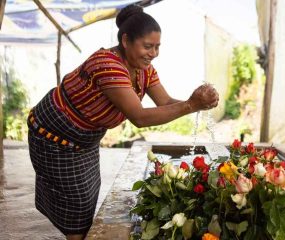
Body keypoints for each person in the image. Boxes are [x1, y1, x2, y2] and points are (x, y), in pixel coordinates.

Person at [27, 4, 219, 240]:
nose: (153, 53)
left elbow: (165, 101)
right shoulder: (107, 65)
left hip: (84, 139)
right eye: (148, 46)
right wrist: (192, 105)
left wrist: (197, 102)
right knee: (76, 204)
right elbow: (138, 117)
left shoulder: (144, 69)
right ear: (126, 40)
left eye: (157, 47)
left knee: (87, 196)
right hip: (53, 135)